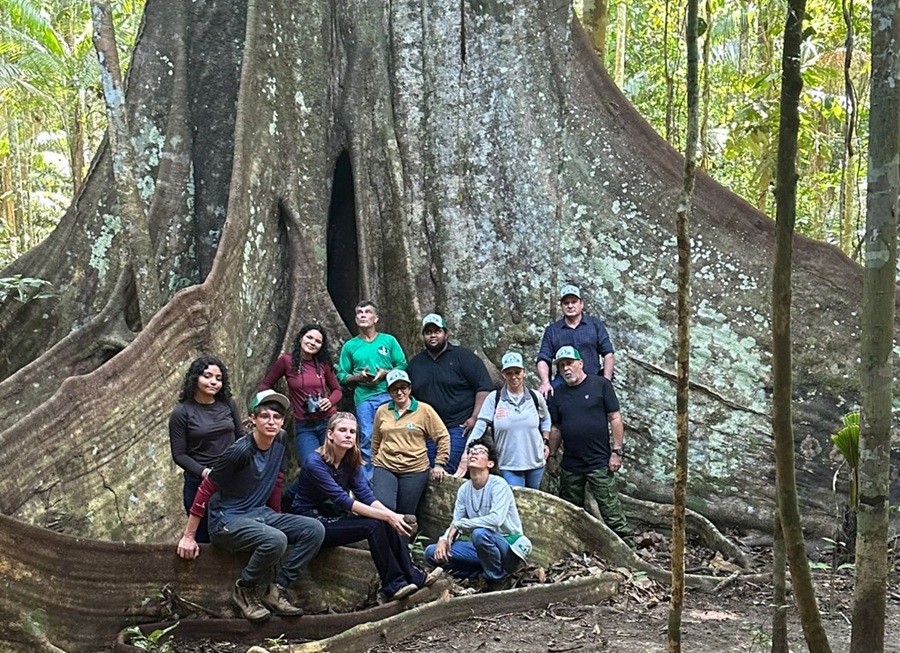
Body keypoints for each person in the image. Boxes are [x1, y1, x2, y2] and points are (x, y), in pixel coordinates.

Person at [176, 390, 326, 623]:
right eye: (264, 416)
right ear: (252, 420)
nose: (271, 422)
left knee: (314, 529)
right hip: (226, 520)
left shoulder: (281, 439)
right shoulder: (240, 451)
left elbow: (276, 480)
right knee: (276, 539)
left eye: (276, 417)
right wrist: (189, 536)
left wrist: (277, 516)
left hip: (260, 514)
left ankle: (276, 589)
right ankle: (245, 589)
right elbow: (207, 487)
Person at [290, 412, 443, 601]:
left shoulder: (350, 460)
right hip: (310, 522)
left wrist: (392, 516)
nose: (348, 435)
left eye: (352, 431)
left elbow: (365, 494)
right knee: (374, 524)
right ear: (330, 434)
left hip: (333, 516)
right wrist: (388, 516)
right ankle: (393, 585)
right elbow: (344, 500)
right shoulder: (315, 463)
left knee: (383, 520)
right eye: (342, 430)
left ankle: (414, 576)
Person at [546, 346, 632, 542]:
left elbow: (615, 418)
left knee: (611, 512)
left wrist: (616, 451)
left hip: (599, 462)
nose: (566, 368)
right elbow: (556, 428)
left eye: (570, 363)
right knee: (570, 511)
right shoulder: (558, 393)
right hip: (571, 464)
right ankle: (572, 548)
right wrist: (551, 457)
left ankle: (627, 550)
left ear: (581, 363)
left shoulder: (600, 385)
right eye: (562, 366)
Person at [425, 437, 532, 592]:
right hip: (482, 549)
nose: (473, 454)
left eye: (480, 452)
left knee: (480, 534)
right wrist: (443, 540)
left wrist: (461, 524)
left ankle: (498, 580)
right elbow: (456, 522)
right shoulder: (464, 489)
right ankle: (479, 574)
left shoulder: (498, 485)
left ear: (490, 463)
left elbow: (496, 520)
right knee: (431, 553)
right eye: (471, 452)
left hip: (508, 547)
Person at [406, 313, 493, 473]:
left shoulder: (464, 358)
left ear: (446, 334)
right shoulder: (415, 364)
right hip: (428, 429)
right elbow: (407, 395)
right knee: (428, 469)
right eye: (428, 332)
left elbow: (484, 387)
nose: (433, 335)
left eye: (437, 331)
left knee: (447, 468)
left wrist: (475, 417)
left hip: (458, 426)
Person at [168, 354, 242, 543]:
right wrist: (204, 472)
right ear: (195, 378)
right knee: (203, 540)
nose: (213, 382)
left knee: (233, 535)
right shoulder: (182, 412)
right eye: (207, 376)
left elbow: (240, 436)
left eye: (218, 379)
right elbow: (179, 454)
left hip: (231, 481)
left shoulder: (228, 404)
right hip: (199, 484)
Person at [458, 351, 550, 489]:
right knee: (515, 501)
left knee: (534, 504)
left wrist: (546, 441)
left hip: (536, 462)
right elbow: (480, 426)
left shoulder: (535, 397)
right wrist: (468, 451)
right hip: (509, 463)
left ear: (524, 372)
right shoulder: (494, 399)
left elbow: (546, 418)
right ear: (503, 374)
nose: (514, 377)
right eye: (509, 373)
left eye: (517, 372)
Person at [337, 301, 407, 476]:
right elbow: (342, 375)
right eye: (359, 312)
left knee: (393, 433)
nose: (362, 315)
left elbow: (402, 365)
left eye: (367, 312)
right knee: (367, 437)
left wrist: (385, 373)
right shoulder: (350, 346)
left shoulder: (388, 341)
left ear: (375, 318)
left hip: (388, 395)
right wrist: (358, 377)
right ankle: (368, 481)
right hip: (364, 398)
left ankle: (394, 473)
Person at [257, 324, 342, 465]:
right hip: (304, 425)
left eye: (318, 341)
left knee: (333, 463)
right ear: (300, 338)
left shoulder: (323, 364)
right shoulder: (286, 361)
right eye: (309, 337)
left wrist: (329, 401)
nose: (312, 343)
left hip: (328, 422)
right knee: (309, 464)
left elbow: (337, 390)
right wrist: (273, 407)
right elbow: (265, 386)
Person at [370, 369, 450, 517]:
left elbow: (442, 436)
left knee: (406, 513)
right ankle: (383, 540)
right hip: (386, 466)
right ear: (389, 392)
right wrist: (375, 460)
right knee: (383, 507)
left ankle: (402, 541)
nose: (399, 392)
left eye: (403, 388)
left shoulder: (424, 410)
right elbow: (376, 439)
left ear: (410, 388)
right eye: (394, 389)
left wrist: (439, 463)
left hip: (415, 469)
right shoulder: (382, 411)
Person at [536, 284, 615, 397]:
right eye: (566, 303)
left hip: (592, 378)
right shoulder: (552, 330)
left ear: (581, 304)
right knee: (548, 397)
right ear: (561, 306)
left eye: (574, 302)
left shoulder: (594, 324)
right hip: (564, 381)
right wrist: (545, 383)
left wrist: (606, 382)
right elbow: (543, 358)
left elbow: (608, 353)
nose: (570, 306)